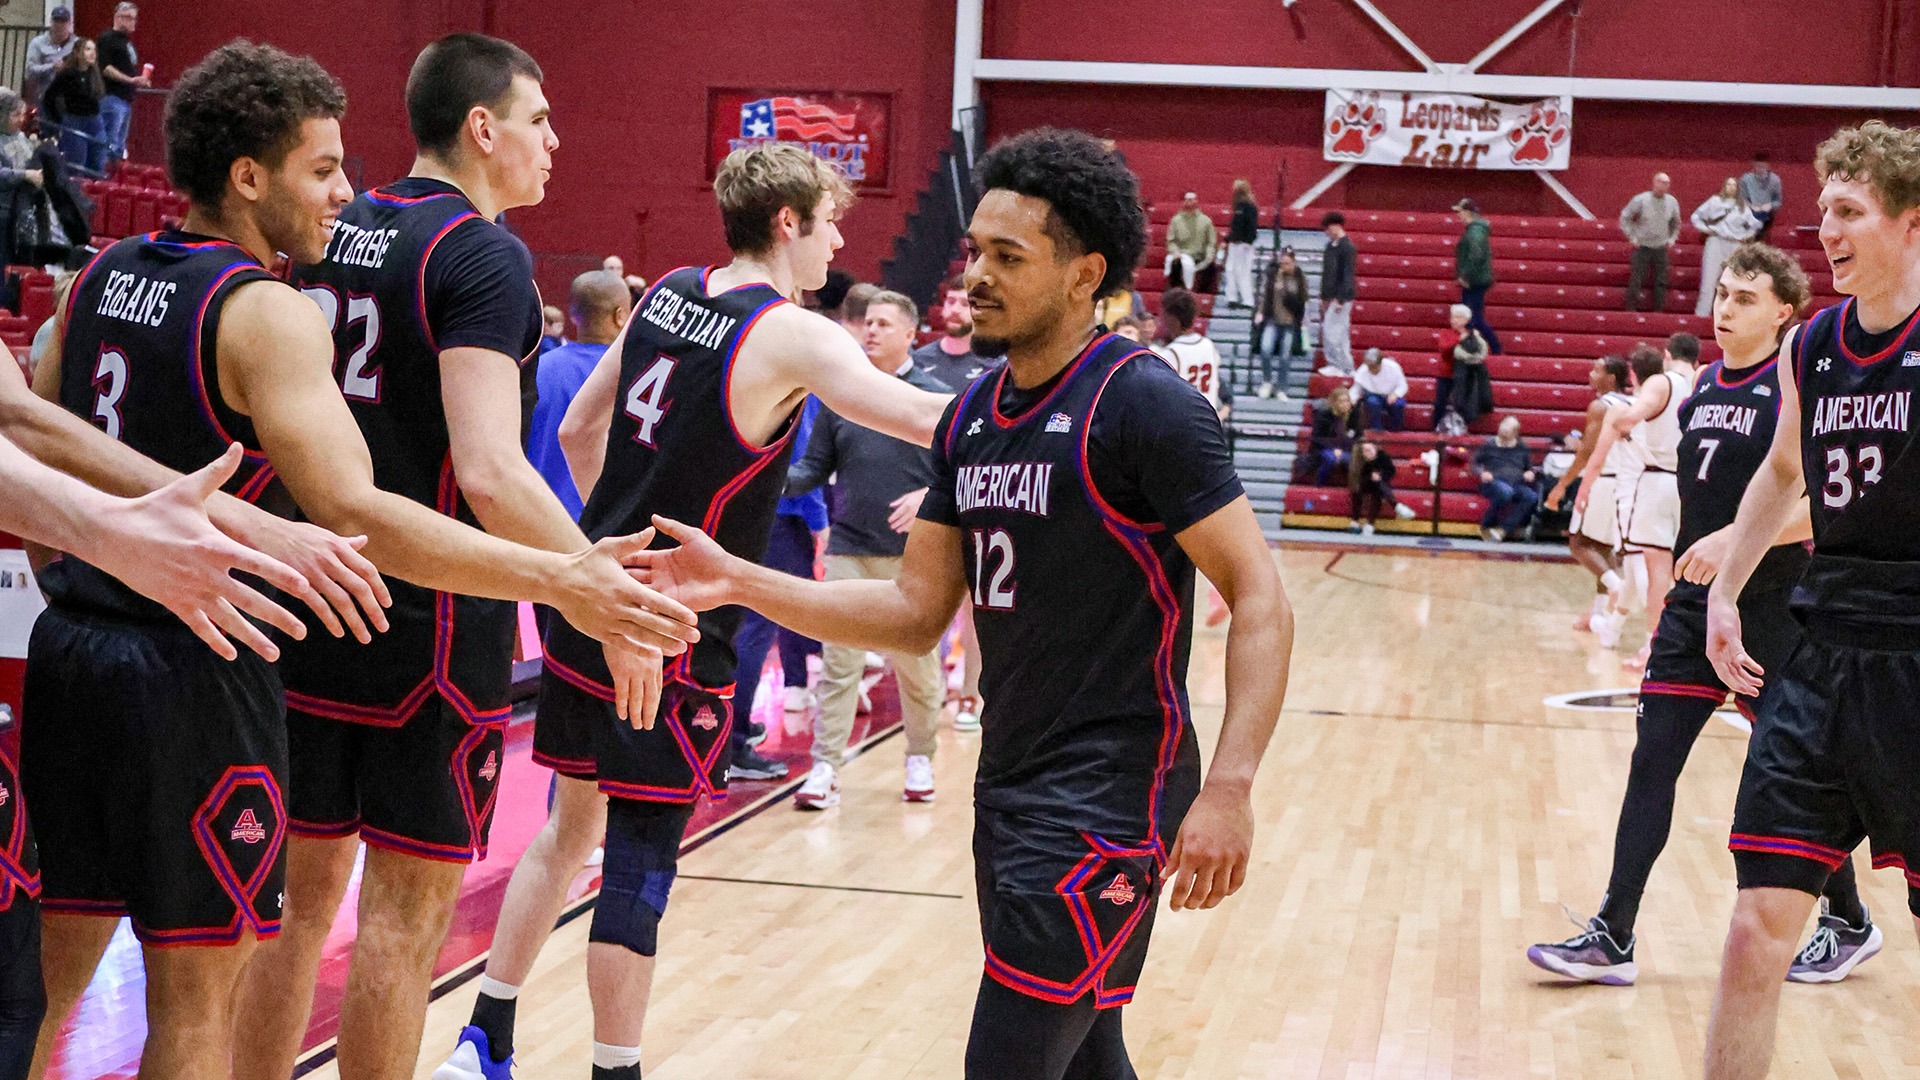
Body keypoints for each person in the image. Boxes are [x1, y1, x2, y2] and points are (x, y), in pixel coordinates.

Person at [28, 39, 694, 1080]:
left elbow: (34, 422)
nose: (343, 186)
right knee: (363, 931)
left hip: (186, 624)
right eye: (542, 118)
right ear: (484, 126)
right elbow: (470, 473)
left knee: (114, 959)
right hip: (356, 619)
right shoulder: (449, 261)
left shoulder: (126, 269)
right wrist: (581, 585)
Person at [633, 125, 1291, 1080]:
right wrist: (739, 580)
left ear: (1084, 275)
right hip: (1011, 788)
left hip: (1109, 798)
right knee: (1087, 1054)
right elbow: (911, 610)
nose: (974, 274)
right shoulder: (976, 415)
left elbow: (1259, 597)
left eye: (1007, 257)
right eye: (975, 249)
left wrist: (1229, 787)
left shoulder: (1143, 406)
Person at [436, 141, 949, 1080]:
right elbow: (918, 419)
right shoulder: (789, 330)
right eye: (830, 221)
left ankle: (485, 1039)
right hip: (672, 620)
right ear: (788, 222)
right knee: (637, 861)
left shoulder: (668, 289)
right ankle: (612, 1071)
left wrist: (616, 550)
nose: (840, 241)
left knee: (567, 829)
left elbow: (581, 430)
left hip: (593, 592)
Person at [1530, 242, 1879, 990]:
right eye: (1723, 294)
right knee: (1652, 760)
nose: (1725, 308)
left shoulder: (1801, 386)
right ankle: (1613, 933)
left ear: (1785, 311)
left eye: (1746, 298)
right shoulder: (1704, 384)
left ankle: (1848, 919)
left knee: (1790, 778)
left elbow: (1818, 500)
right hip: (1696, 609)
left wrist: (1736, 539)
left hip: (1775, 605)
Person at [1701, 120, 1920, 1080]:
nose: (1825, 230)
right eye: (1821, 209)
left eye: (1849, 211)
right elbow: (1784, 471)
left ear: (1912, 223)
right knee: (1758, 927)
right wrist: (1727, 592)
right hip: (1824, 652)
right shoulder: (1815, 343)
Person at [784, 290, 948, 808]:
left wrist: (930, 496)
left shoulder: (936, 396)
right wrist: (762, 474)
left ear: (909, 334)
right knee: (839, 664)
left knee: (916, 667)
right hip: (849, 546)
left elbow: (965, 472)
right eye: (866, 323)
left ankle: (920, 755)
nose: (870, 330)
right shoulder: (842, 397)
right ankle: (825, 767)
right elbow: (812, 469)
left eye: (882, 323)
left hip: (914, 554)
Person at [1598, 343, 1697, 669]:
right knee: (1680, 570)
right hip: (1688, 484)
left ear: (1667, 355)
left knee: (1654, 571)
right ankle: (1683, 640)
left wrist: (1626, 431)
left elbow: (1629, 418)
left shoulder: (1661, 382)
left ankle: (1654, 646)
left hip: (1655, 482)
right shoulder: (1700, 379)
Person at [528, 270, 629, 520]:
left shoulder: (536, 369)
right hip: (602, 527)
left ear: (573, 315)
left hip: (537, 523)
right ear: (620, 316)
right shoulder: (633, 375)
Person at [1550, 355, 1633, 637]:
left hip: (1604, 481)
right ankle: (1597, 613)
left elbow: (1587, 452)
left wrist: (1562, 484)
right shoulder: (1637, 402)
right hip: (1630, 483)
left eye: (1597, 370)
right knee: (1605, 549)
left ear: (1611, 378)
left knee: (1579, 544)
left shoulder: (1601, 406)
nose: (1590, 373)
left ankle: (1616, 587)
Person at [1157, 287, 1229, 422]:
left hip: (1184, 423)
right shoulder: (1208, 345)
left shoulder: (1170, 353)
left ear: (1172, 318)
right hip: (1208, 420)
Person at [1692, 179, 1761, 315]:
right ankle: (1702, 314)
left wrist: (1744, 235)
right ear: (1724, 186)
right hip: (1716, 240)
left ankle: (1727, 313)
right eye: (1728, 184)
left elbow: (1756, 225)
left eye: (1734, 185)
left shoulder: (1742, 206)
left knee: (1733, 281)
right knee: (1709, 281)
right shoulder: (1715, 201)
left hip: (1734, 243)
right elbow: (1696, 217)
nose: (1731, 188)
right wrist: (1706, 229)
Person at [914, 274, 995, 389]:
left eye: (965, 304)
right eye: (951, 302)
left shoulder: (995, 366)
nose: (955, 310)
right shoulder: (920, 359)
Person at [93, 2, 149, 165]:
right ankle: (101, 178)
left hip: (125, 99)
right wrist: (131, 80)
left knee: (118, 145)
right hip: (112, 97)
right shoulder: (107, 38)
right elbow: (105, 67)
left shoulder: (126, 42)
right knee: (109, 143)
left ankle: (113, 181)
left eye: (134, 18)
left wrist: (137, 80)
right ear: (117, 17)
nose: (133, 22)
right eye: (128, 17)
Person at [40, 39, 104, 176]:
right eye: (87, 49)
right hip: (75, 121)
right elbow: (49, 98)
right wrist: (58, 122)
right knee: (77, 166)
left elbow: (97, 97)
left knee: (98, 163)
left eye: (94, 49)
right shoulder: (67, 74)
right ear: (76, 52)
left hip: (95, 121)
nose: (92, 53)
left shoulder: (94, 74)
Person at [1621, 172, 1681, 312]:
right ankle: (1631, 309)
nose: (1664, 185)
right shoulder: (1641, 199)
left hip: (1661, 247)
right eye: (1661, 182)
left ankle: (1658, 311)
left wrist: (1672, 239)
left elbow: (1676, 223)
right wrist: (1632, 237)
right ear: (1654, 183)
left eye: (1667, 183)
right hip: (1642, 246)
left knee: (1662, 281)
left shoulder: (1672, 202)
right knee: (1637, 279)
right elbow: (1625, 217)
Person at [1253, 246, 1306, 399]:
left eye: (1288, 263)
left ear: (1294, 263)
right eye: (1282, 263)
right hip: (1273, 319)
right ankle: (1267, 381)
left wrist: (1303, 321)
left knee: (1285, 355)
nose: (1284, 266)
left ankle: (1282, 387)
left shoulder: (1299, 278)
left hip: (1289, 322)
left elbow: (1302, 301)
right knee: (1265, 349)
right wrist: (1260, 311)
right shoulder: (1274, 276)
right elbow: (1266, 296)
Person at [1474, 416, 1536, 542]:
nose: (1502, 431)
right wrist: (1482, 473)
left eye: (1507, 430)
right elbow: (1474, 463)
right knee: (1505, 492)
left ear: (1515, 433)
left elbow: (1529, 468)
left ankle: (1503, 530)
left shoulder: (1522, 447)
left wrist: (1530, 473)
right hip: (1494, 483)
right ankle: (1486, 525)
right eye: (1502, 428)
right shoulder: (1490, 444)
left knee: (1531, 497)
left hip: (1516, 483)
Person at [1452, 197, 1501, 352]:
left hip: (1475, 280)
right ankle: (1471, 346)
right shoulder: (1476, 229)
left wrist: (1465, 275)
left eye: (1460, 212)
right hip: (1477, 278)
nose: (1458, 215)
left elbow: (1476, 255)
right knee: (1469, 316)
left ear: (1467, 212)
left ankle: (1495, 347)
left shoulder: (1475, 231)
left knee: (1474, 318)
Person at [1348, 438, 1413, 534]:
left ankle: (1370, 524)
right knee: (1356, 490)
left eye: (1368, 450)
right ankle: (1396, 506)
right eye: (1364, 451)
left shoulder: (1383, 456)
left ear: (1375, 448)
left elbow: (1391, 471)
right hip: (1363, 482)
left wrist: (1380, 475)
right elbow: (1357, 476)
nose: (1366, 453)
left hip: (1379, 484)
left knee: (1378, 489)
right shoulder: (1360, 459)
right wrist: (1370, 473)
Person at [1319, 211, 1356, 375]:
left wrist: (1341, 299)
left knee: (1334, 332)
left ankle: (1342, 365)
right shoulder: (1329, 248)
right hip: (1330, 296)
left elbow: (1348, 275)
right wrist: (1324, 297)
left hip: (1341, 297)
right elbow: (1326, 274)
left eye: (1327, 230)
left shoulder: (1348, 248)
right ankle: (1339, 364)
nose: (1326, 234)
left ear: (1334, 227)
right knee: (1332, 331)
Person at [1163, 190, 1216, 290]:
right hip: (1182, 255)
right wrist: (1175, 252)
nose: (1189, 202)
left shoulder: (1206, 221)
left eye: (1191, 199)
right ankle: (1177, 290)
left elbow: (1211, 242)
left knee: (1211, 267)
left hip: (1199, 256)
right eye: (1186, 199)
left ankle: (1202, 294)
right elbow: (1171, 241)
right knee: (1175, 264)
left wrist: (1209, 255)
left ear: (1196, 201)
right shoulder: (1176, 220)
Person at [1308, 384, 1358, 485]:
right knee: (1331, 458)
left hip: (1346, 449)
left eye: (1347, 401)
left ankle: (1353, 490)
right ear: (1334, 403)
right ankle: (1319, 484)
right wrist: (1334, 448)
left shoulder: (1354, 415)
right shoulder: (1323, 415)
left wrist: (1344, 449)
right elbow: (1317, 438)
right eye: (1341, 402)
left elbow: (1358, 436)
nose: (1345, 404)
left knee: (1356, 460)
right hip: (1324, 448)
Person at [24, 7, 75, 105]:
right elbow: (30, 69)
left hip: (70, 97)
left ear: (69, 23)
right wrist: (52, 67)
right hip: (45, 94)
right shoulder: (38, 43)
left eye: (63, 21)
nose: (59, 25)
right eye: (56, 20)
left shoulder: (77, 44)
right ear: (51, 22)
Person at [1350, 347, 1406, 431]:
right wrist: (1352, 399)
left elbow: (1403, 385)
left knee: (1398, 404)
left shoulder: (1393, 367)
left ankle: (1395, 431)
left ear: (1381, 363)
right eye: (1370, 367)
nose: (1372, 370)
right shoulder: (1362, 370)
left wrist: (1396, 394)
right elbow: (1357, 388)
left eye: (1374, 367)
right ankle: (1376, 430)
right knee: (1373, 402)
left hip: (1391, 394)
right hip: (1373, 394)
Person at [1223, 179, 1258, 308]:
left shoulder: (1249, 206)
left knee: (1243, 272)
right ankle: (1232, 298)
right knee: (1230, 270)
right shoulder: (1238, 206)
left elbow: (1252, 226)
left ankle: (1247, 300)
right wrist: (1227, 240)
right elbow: (1235, 228)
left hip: (1244, 244)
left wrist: (1249, 241)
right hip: (1235, 243)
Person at [1740, 152, 1783, 240]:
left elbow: (1778, 201)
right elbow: (1742, 198)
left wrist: (1769, 206)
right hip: (1750, 213)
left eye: (1763, 167)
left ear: (1768, 166)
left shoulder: (1775, 180)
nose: (1760, 169)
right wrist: (1751, 206)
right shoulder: (1746, 179)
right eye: (1758, 166)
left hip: (1767, 214)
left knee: (1763, 236)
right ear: (1754, 165)